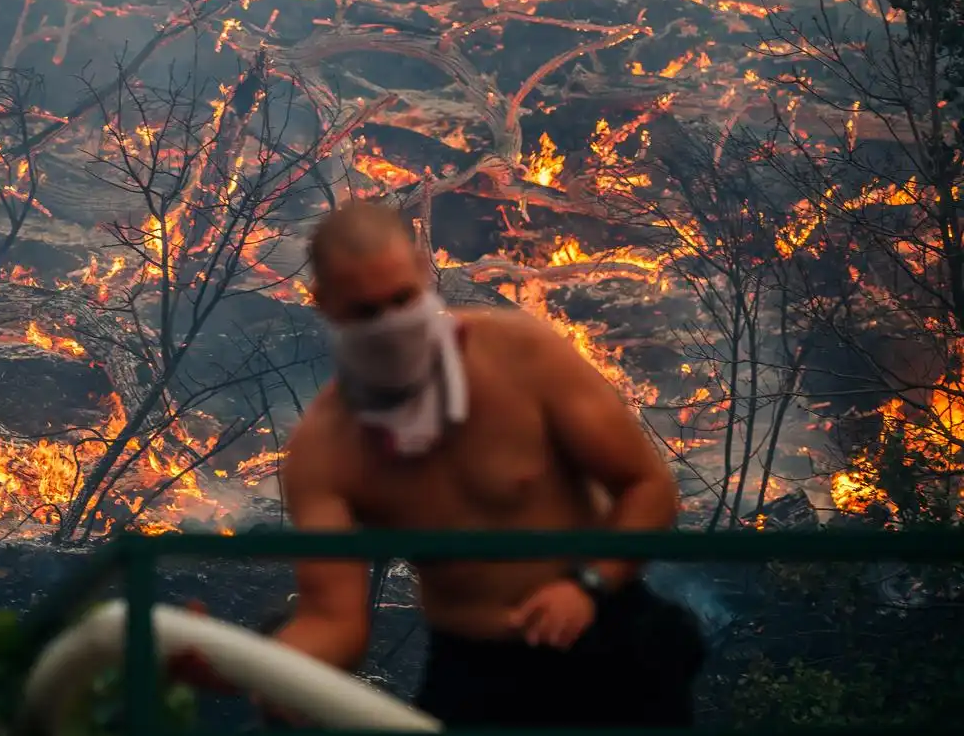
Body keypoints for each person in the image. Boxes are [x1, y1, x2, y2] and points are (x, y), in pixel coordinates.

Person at [178, 201, 704, 729]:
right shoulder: (328, 447)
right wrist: (247, 669)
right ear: (326, 306)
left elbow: (647, 486)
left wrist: (587, 583)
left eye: (403, 299)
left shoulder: (521, 355)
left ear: (425, 281)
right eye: (365, 310)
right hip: (475, 672)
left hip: (608, 643)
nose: (390, 323)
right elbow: (333, 620)